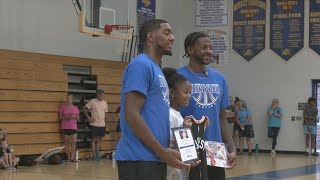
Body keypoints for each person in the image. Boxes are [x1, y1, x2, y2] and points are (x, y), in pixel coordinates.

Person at [115, 19, 190, 180]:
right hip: (138, 159)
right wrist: (161, 151)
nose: (172, 38)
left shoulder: (156, 68)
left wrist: (165, 150)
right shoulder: (141, 65)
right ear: (150, 37)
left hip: (152, 157)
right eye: (166, 32)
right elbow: (131, 114)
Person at [177, 31, 236, 180]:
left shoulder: (220, 79)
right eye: (204, 47)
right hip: (188, 145)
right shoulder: (177, 77)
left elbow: (222, 118)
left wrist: (231, 146)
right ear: (190, 50)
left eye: (210, 47)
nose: (209, 51)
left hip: (215, 147)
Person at [162, 67, 197, 180]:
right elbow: (167, 145)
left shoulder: (178, 114)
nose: (189, 96)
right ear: (172, 92)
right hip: (171, 170)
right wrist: (184, 129)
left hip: (179, 170)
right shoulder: (169, 114)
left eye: (190, 93)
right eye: (185, 92)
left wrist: (199, 128)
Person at [83, 89, 110, 160]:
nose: (101, 95)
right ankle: (94, 155)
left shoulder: (105, 102)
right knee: (94, 139)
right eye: (100, 94)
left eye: (102, 94)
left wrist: (106, 125)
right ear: (97, 94)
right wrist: (88, 117)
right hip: (94, 124)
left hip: (102, 124)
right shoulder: (92, 101)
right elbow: (84, 108)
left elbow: (106, 114)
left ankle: (97, 153)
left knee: (100, 139)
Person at [59, 94, 80, 162]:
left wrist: (74, 116)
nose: (69, 100)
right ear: (66, 99)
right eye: (67, 98)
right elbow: (60, 117)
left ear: (72, 99)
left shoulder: (75, 108)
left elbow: (78, 119)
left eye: (70, 98)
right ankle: (68, 157)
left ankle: (72, 157)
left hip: (73, 127)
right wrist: (66, 116)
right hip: (65, 127)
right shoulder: (62, 107)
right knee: (66, 143)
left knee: (73, 143)